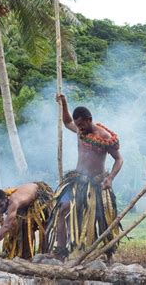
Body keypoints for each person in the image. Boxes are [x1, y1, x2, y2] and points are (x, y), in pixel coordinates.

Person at [46, 94, 124, 261]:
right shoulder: (80, 130)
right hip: (77, 181)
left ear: (89, 120)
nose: (79, 128)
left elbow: (119, 159)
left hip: (97, 184)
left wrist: (110, 178)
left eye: (81, 125)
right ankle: (60, 251)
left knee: (102, 218)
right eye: (78, 126)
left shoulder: (104, 137)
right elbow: (67, 122)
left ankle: (108, 253)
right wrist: (64, 103)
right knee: (61, 211)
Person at [0, 182, 53, 259]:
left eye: (1, 206)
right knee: (17, 224)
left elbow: (6, 226)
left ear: (6, 199)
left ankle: (42, 253)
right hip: (26, 198)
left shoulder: (14, 201)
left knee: (27, 225)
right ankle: (12, 252)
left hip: (40, 194)